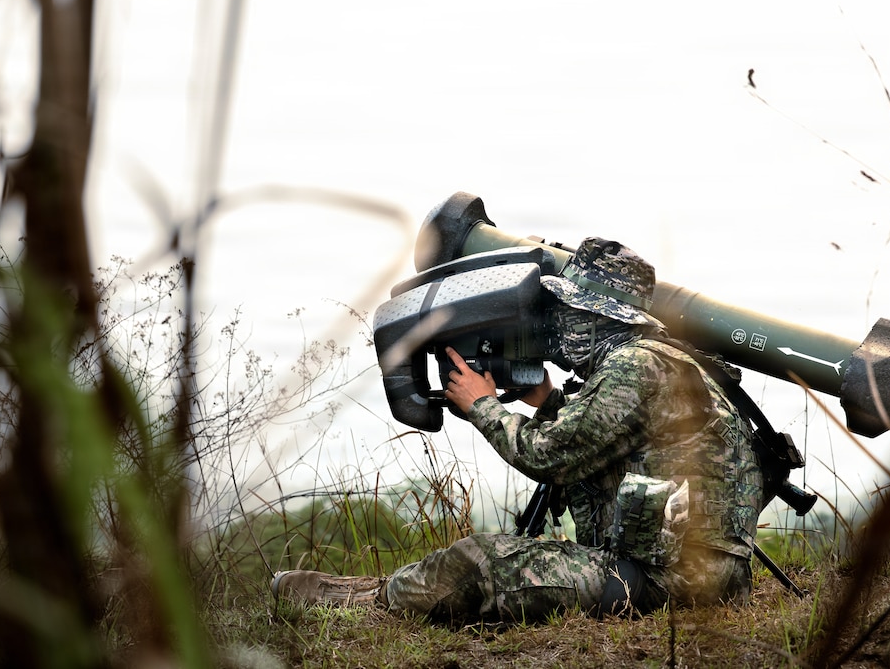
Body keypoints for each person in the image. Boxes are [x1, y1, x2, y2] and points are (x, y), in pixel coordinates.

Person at [272, 237, 764, 622]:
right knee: (496, 557)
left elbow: (550, 457)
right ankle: (376, 589)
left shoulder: (635, 366)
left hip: (672, 579)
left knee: (479, 561)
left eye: (570, 312)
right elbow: (598, 448)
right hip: (690, 570)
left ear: (597, 315)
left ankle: (362, 599)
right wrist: (548, 401)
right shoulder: (660, 363)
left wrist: (484, 406)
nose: (561, 324)